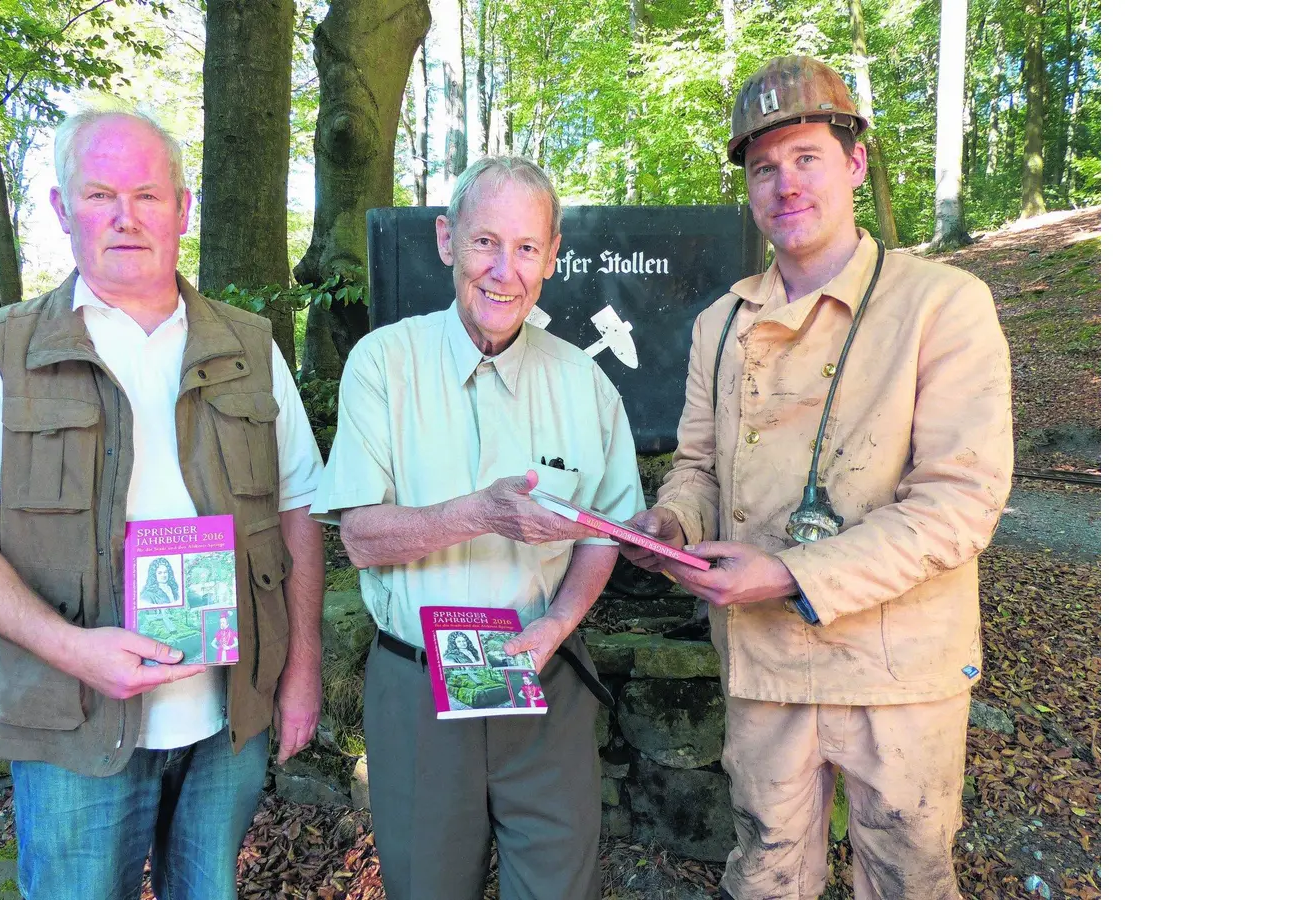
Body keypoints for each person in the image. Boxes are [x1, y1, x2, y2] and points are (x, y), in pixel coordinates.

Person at [0, 103, 326, 900]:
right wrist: (71, 648)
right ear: (63, 211)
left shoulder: (250, 346)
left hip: (225, 718)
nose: (126, 218)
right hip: (75, 720)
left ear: (182, 208)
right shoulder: (1, 353)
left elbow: (299, 510)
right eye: (100, 195)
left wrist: (301, 671)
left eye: (147, 195)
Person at [623, 56, 1013, 900]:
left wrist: (792, 572)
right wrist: (674, 525)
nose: (785, 184)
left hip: (900, 670)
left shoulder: (942, 304)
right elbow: (695, 467)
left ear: (856, 163)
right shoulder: (719, 325)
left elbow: (961, 503)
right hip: (763, 663)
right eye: (764, 167)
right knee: (765, 870)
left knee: (907, 877)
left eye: (806, 158)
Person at [309, 156, 643, 900]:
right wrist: (482, 513)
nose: (504, 270)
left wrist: (560, 621)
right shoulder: (383, 364)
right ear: (445, 241)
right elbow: (360, 536)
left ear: (552, 257)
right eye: (485, 241)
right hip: (418, 686)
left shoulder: (585, 383)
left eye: (526, 248)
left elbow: (601, 533)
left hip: (543, 677)